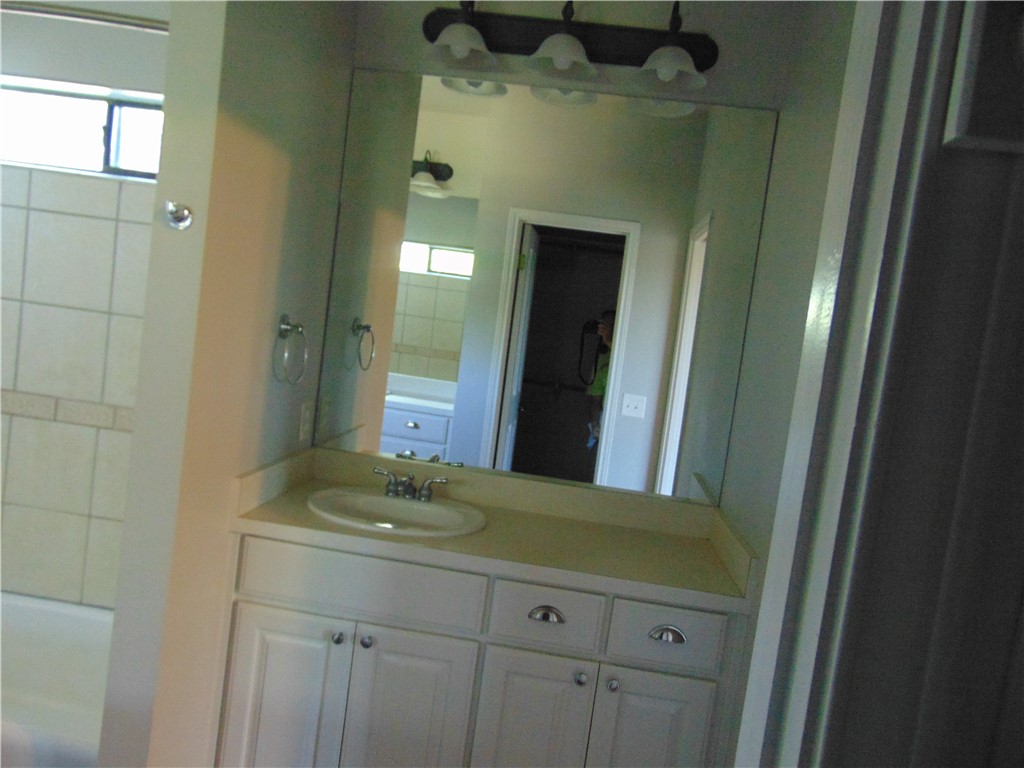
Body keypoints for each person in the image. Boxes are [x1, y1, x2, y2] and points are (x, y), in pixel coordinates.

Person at [586, 310, 615, 448]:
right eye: (601, 324)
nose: (601, 328)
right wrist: (595, 424)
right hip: (603, 417)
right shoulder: (602, 356)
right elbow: (595, 396)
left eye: (606, 325)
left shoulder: (625, 354)